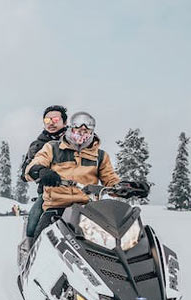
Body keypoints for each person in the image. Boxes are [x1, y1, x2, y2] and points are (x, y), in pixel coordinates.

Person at [25, 111, 120, 240]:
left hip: (88, 210)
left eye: (86, 131)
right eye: (78, 130)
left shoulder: (100, 156)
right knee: (41, 238)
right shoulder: (52, 148)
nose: (82, 134)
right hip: (57, 207)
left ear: (92, 132)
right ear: (70, 128)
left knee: (107, 241)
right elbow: (34, 165)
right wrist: (41, 171)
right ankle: (33, 255)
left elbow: (110, 179)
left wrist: (124, 187)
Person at [21, 105, 68, 245]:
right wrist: (40, 171)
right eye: (47, 120)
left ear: (64, 122)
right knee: (35, 217)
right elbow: (25, 171)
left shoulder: (78, 140)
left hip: (80, 193)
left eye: (55, 119)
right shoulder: (38, 145)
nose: (51, 123)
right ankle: (30, 250)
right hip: (50, 194)